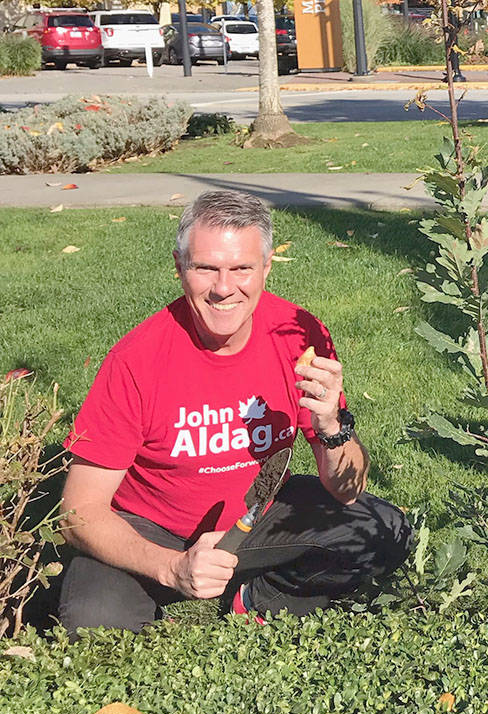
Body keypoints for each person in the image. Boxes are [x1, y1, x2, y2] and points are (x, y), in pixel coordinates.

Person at [58, 190, 413, 633]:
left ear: (266, 268)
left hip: (256, 518)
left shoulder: (298, 335)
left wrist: (331, 427)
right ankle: (181, 581)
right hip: (151, 528)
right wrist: (171, 567)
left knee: (387, 531)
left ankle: (258, 599)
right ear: (179, 267)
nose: (224, 288)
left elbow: (347, 491)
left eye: (241, 268)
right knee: (93, 624)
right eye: (205, 268)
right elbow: (78, 512)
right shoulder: (136, 360)